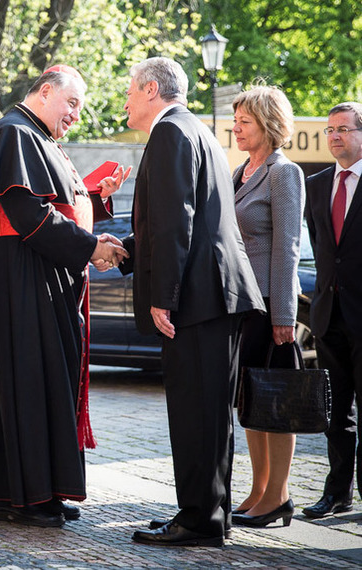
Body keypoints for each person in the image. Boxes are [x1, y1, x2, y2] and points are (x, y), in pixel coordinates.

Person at [0, 65, 128, 528]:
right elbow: (26, 210)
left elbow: (57, 201)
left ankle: (42, 490)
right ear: (45, 91)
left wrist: (95, 197)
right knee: (28, 381)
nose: (76, 113)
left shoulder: (37, 136)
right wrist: (89, 246)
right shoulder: (14, 133)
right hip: (21, 272)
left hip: (40, 272)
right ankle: (24, 496)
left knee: (47, 381)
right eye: (71, 102)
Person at [120, 57, 263, 547]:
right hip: (211, 296)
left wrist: (165, 296)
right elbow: (179, 219)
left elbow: (176, 222)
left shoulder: (171, 134)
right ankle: (205, 512)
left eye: (130, 91)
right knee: (204, 412)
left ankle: (200, 520)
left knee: (196, 413)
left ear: (152, 89)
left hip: (198, 301)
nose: (125, 101)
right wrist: (126, 255)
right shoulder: (194, 131)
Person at [227, 86, 305, 528]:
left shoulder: (283, 172)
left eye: (245, 123)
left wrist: (282, 316)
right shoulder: (242, 172)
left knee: (277, 403)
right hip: (244, 306)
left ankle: (278, 496)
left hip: (269, 306)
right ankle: (258, 489)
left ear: (268, 125)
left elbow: (287, 248)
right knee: (252, 402)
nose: (235, 128)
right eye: (235, 121)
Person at [302, 101, 362, 520]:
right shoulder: (318, 183)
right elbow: (322, 247)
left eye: (343, 129)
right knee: (335, 413)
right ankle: (337, 494)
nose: (335, 136)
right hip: (328, 313)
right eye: (330, 130)